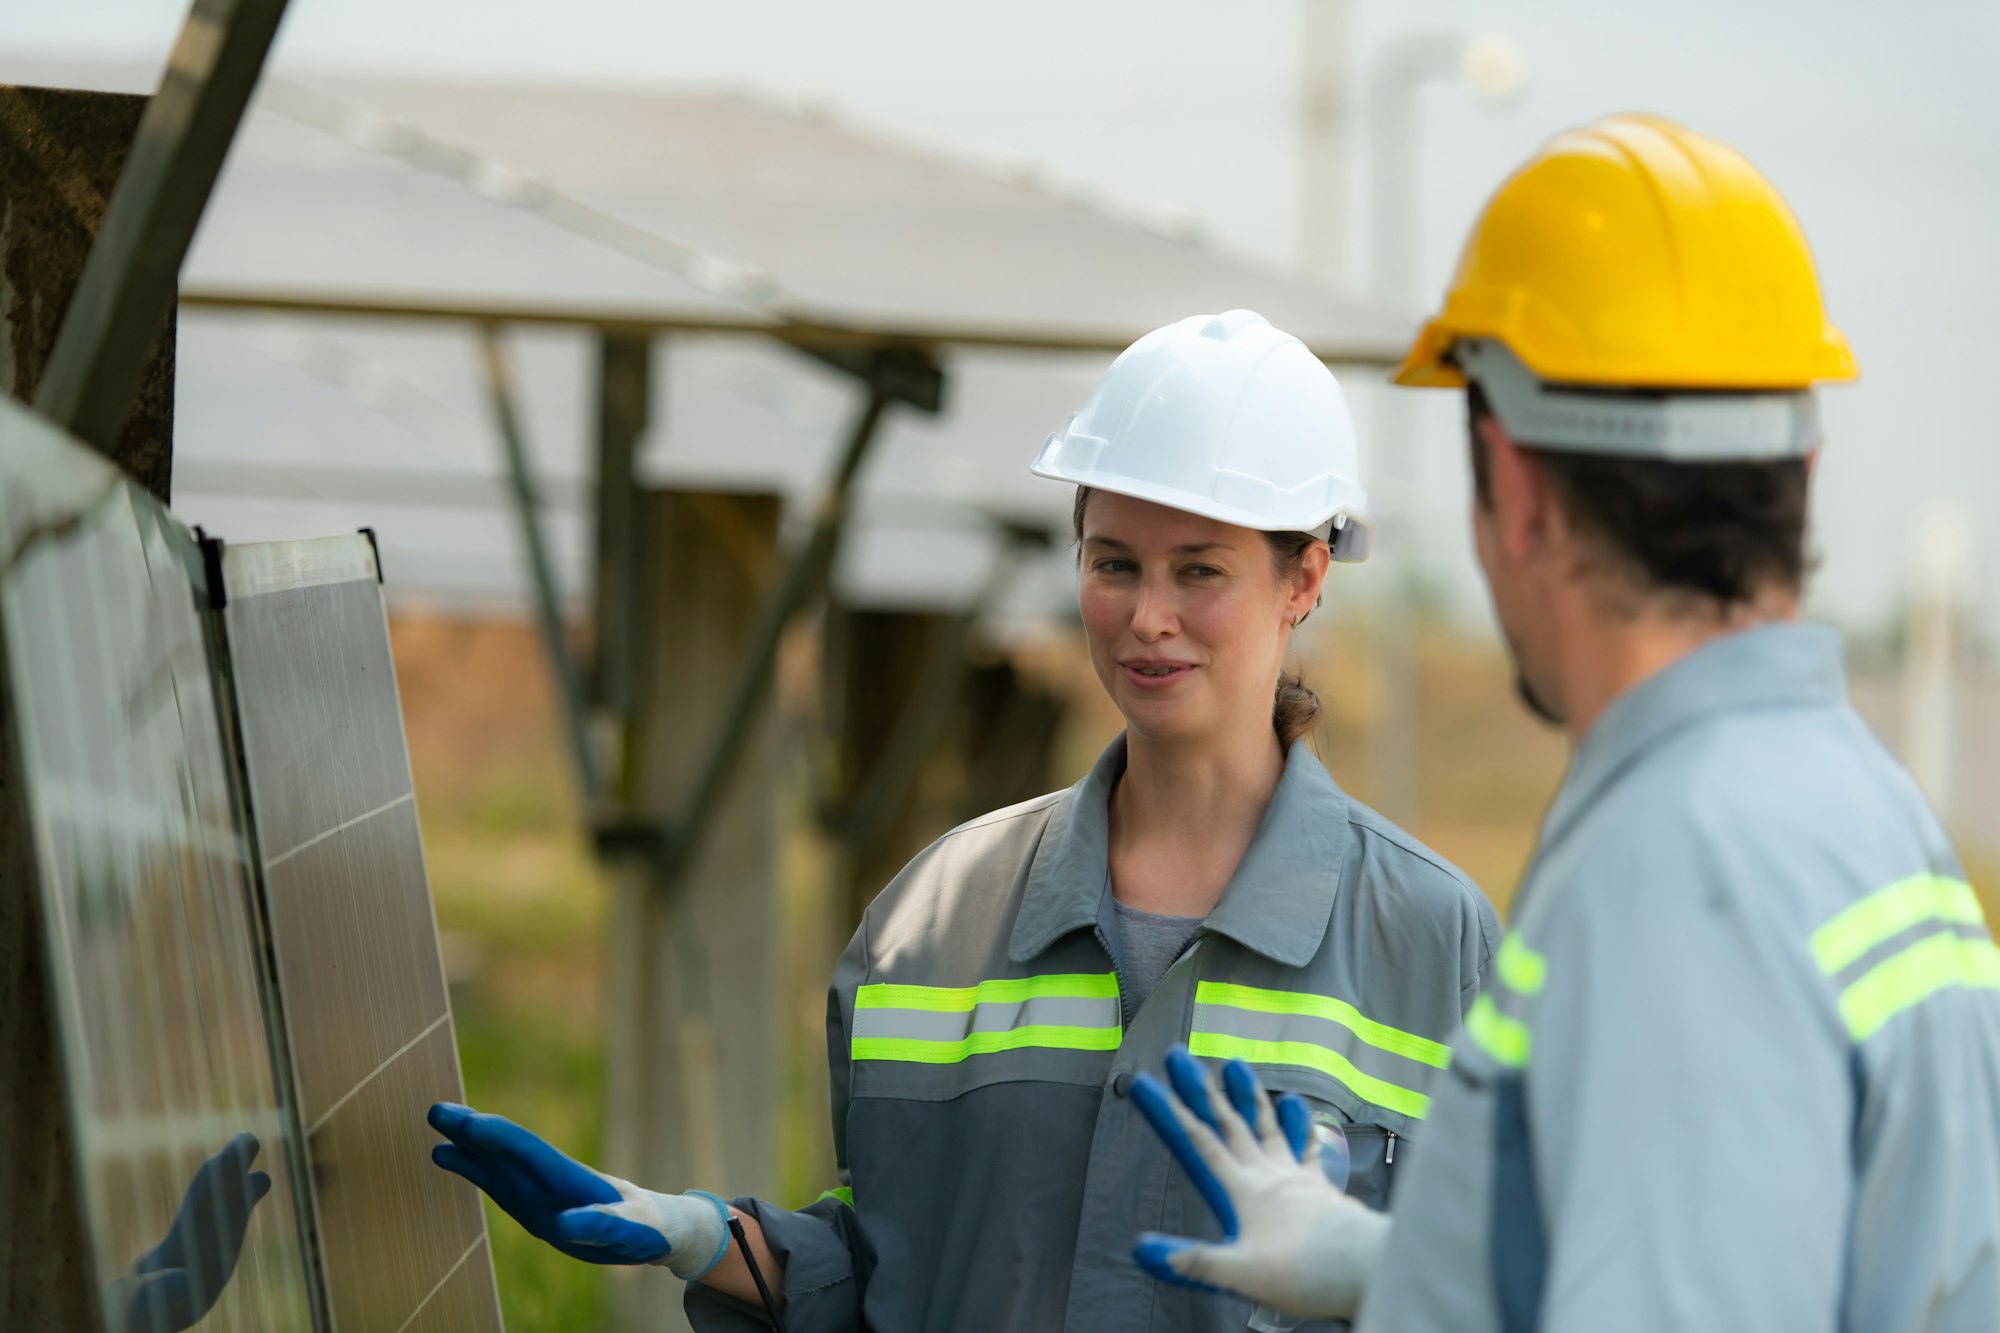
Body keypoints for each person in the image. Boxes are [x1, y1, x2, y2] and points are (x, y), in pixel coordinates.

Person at [425, 309, 1500, 1332]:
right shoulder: (938, 915)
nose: (1147, 616)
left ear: (1303, 578)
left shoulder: (1427, 939)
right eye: (1112, 562)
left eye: (1200, 570)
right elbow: (904, 1258)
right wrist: (703, 1238)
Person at [1128, 115, 2000, 1331]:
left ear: (1516, 489)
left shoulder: (1681, 878)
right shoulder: (1867, 816)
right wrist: (1395, 1267)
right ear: (1797, 476)